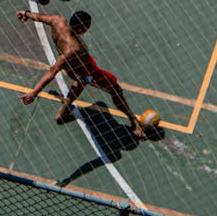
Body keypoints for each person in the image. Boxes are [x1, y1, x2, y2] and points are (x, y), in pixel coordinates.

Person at [17, 8, 146, 139]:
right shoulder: (74, 49)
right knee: (115, 90)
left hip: (72, 66)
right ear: (80, 30)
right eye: (87, 26)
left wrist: (26, 14)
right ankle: (134, 121)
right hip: (86, 71)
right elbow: (52, 72)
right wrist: (34, 92)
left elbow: (39, 17)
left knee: (79, 84)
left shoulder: (57, 20)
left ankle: (62, 113)